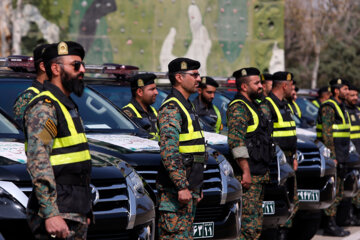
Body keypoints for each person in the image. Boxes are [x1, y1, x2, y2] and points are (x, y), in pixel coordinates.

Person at [23, 41, 92, 239]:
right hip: (58, 212)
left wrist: (85, 209)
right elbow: (39, 161)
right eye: (76, 65)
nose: (83, 70)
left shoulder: (66, 105)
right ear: (55, 68)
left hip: (74, 209)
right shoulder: (45, 108)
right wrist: (50, 213)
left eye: (83, 65)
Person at [156, 57, 205, 239]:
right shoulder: (172, 107)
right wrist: (182, 186)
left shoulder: (186, 105)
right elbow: (169, 151)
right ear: (179, 77)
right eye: (194, 75)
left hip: (188, 189)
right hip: (175, 193)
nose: (199, 79)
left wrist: (196, 188)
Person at [227, 67, 274, 240]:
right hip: (249, 176)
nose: (261, 86)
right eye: (257, 83)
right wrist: (245, 171)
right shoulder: (239, 107)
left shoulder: (256, 105)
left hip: (259, 173)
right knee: (247, 226)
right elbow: (236, 141)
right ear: (244, 87)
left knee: (255, 224)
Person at [260, 71, 298, 239]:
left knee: (291, 202)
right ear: (284, 85)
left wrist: (295, 156)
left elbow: (291, 134)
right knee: (277, 203)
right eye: (291, 85)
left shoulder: (285, 105)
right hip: (275, 164)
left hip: (288, 161)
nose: (293, 88)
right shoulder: (267, 105)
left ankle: (283, 234)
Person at [316, 78, 351, 237]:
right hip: (334, 156)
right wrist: (333, 156)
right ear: (336, 91)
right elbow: (327, 134)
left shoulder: (341, 106)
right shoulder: (329, 107)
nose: (347, 92)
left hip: (342, 155)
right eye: (344, 89)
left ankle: (333, 222)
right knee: (333, 191)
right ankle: (329, 225)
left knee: (338, 191)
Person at [13, 43, 49, 122]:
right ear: (43, 66)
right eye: (57, 64)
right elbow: (22, 130)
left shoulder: (62, 94)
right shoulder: (29, 98)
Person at [122, 73, 159, 139]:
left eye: (155, 89)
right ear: (140, 92)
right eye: (152, 89)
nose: (156, 92)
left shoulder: (155, 111)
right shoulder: (127, 113)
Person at [345, 84, 360, 226]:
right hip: (350, 155)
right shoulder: (344, 111)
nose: (355, 98)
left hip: (359, 155)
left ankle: (356, 214)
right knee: (350, 186)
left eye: (356, 95)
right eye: (352, 95)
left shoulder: (358, 110)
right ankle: (348, 215)